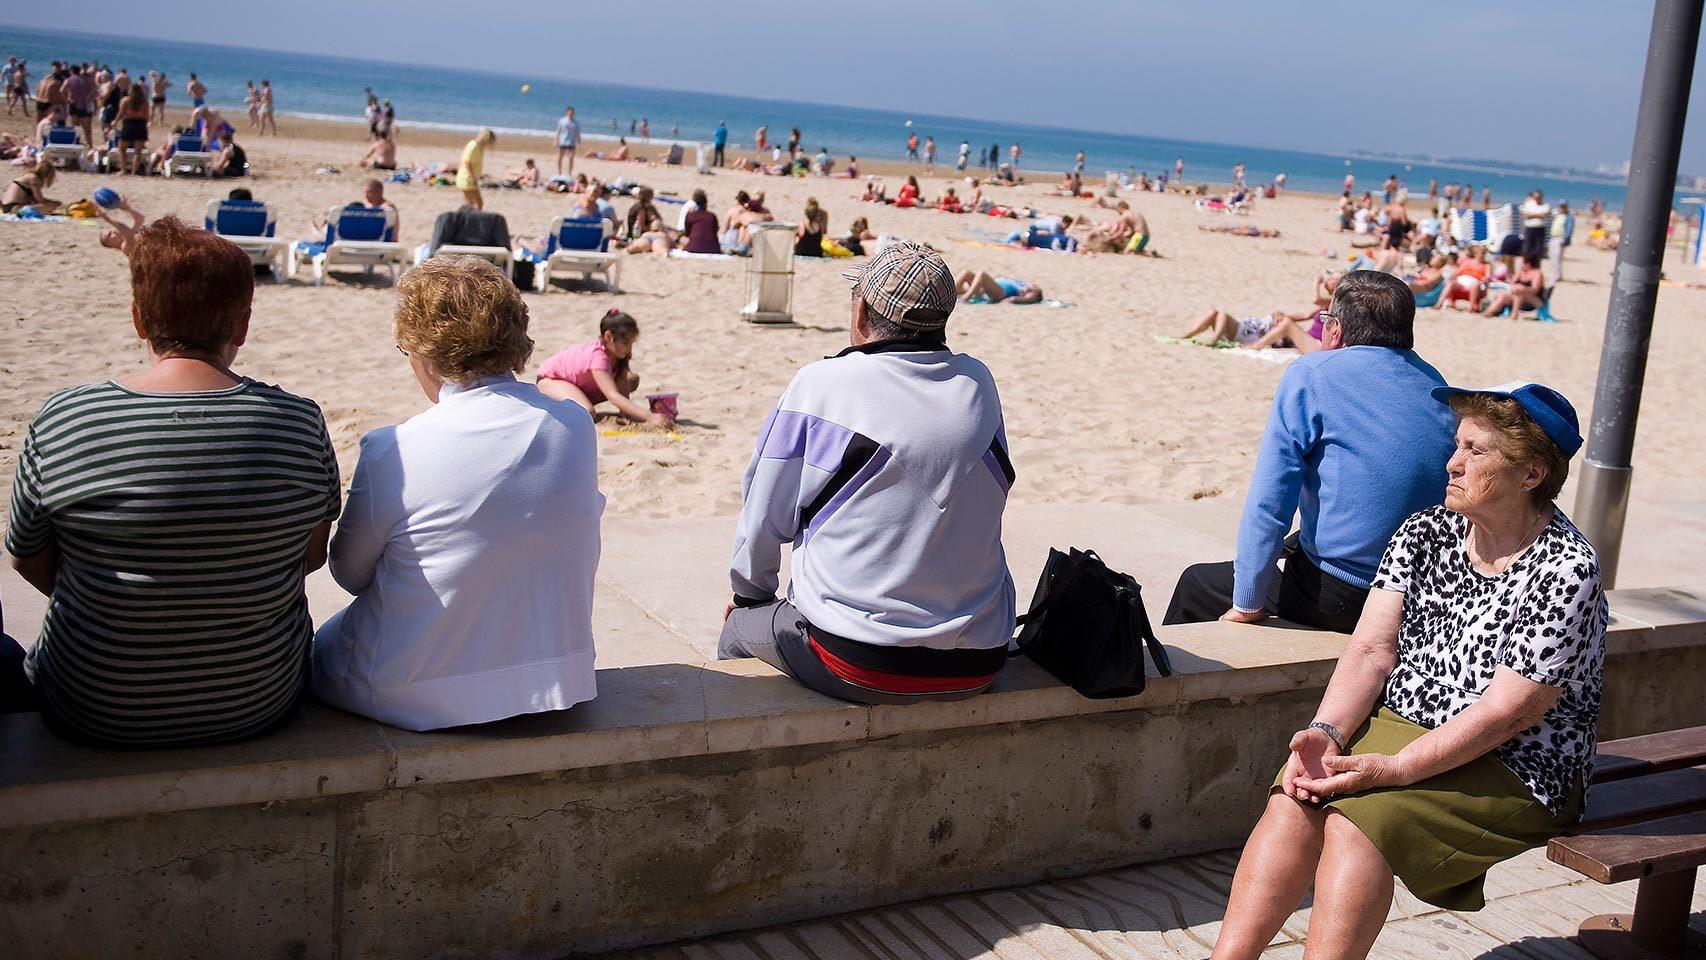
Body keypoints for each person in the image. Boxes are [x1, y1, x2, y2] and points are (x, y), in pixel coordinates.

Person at [1210, 382, 1603, 960]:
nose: (1453, 463)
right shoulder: (1424, 533)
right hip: (1408, 722)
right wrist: (1328, 732)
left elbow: (1509, 712)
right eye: (1457, 444)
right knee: (1295, 796)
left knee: (1358, 823)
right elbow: (1370, 650)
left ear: (1531, 475)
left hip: (1518, 760)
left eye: (1476, 450)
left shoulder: (1567, 569)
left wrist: (1394, 769)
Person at [3, 217, 340, 746]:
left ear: (138, 320)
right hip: (258, 701)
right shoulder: (298, 422)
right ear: (242, 326)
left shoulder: (67, 417)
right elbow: (309, 555)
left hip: (92, 708)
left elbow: (27, 558)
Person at [312, 258, 600, 731]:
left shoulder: (394, 448)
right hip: (558, 680)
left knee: (320, 643)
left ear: (425, 354)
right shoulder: (573, 426)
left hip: (418, 691)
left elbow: (348, 572)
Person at [720, 242, 1015, 704]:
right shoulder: (978, 382)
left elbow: (763, 515)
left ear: (860, 314)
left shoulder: (821, 384)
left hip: (857, 660)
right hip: (978, 661)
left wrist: (750, 597)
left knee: (739, 627)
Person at [1164, 271, 1456, 633]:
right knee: (1298, 542)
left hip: (1345, 592)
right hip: (1417, 592)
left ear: (1335, 329)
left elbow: (1271, 499)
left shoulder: (1313, 373)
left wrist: (1247, 603)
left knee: (1197, 584)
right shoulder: (1435, 382)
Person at [536, 309, 672, 426]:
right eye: (625, 343)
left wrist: (625, 413)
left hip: (579, 385)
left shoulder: (618, 353)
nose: (629, 348)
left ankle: (579, 401)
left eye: (631, 343)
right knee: (587, 413)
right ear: (608, 336)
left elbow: (622, 381)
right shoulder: (598, 356)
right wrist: (649, 416)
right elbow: (612, 395)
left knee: (632, 379)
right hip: (551, 381)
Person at [1483, 254, 1547, 317]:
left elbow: (1535, 290)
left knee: (1519, 293)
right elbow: (1511, 284)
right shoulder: (1521, 271)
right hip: (1517, 297)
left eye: (1524, 262)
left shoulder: (1537, 273)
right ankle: (1489, 312)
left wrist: (1523, 289)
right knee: (1502, 297)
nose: (1522, 264)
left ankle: (1514, 314)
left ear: (1530, 263)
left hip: (1533, 299)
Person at [114, 84, 150, 175]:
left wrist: (115, 122)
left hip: (128, 124)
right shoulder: (144, 102)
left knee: (122, 148)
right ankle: (133, 172)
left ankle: (123, 170)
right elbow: (147, 116)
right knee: (138, 152)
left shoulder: (125, 100)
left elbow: (121, 113)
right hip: (141, 125)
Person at [457, 128, 495, 210]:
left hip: (470, 178)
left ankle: (466, 220)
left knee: (469, 203)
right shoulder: (473, 145)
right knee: (478, 203)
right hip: (467, 179)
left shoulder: (478, 146)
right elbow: (467, 162)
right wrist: (473, 177)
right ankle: (473, 221)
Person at [957, 270, 1042, 304]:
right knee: (966, 272)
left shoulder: (1034, 291)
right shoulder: (1022, 283)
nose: (1034, 285)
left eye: (1034, 287)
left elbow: (1030, 298)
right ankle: (949, 292)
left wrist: (1013, 300)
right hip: (988, 289)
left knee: (982, 274)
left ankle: (966, 297)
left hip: (1002, 293)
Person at [679, 188, 721, 254]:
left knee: (681, 239)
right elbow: (716, 230)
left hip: (694, 247)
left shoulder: (690, 215)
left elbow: (687, 233)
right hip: (713, 248)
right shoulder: (712, 215)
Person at [1548, 201, 1574, 284]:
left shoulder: (1568, 217)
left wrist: (1565, 239)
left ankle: (1557, 275)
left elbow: (1569, 230)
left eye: (1563, 207)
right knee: (1552, 257)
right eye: (1561, 206)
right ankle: (1556, 274)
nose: (1561, 208)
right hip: (1553, 238)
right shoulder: (1558, 216)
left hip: (1560, 239)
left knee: (1557, 258)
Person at [1521, 189, 1550, 262]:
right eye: (1535, 197)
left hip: (1540, 229)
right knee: (1527, 248)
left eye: (1538, 197)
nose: (1536, 198)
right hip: (1530, 229)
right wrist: (1538, 215)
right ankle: (1527, 265)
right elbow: (1526, 215)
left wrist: (1532, 215)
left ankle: (1536, 266)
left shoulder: (1545, 205)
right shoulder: (1528, 204)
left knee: (1538, 249)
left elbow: (1544, 215)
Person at [556, 105, 581, 176]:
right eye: (570, 112)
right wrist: (556, 141)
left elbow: (578, 133)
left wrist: (579, 143)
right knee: (560, 157)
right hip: (563, 141)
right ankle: (559, 171)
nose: (571, 114)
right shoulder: (562, 121)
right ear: (567, 112)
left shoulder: (575, 122)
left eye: (572, 113)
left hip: (572, 142)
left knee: (571, 158)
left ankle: (569, 172)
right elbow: (558, 131)